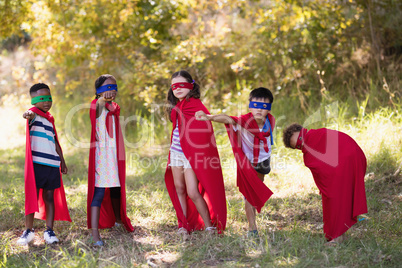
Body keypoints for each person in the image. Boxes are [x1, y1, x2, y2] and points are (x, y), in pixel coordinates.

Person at [196, 87, 274, 237]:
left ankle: (253, 218)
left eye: (264, 106)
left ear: (269, 108)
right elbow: (227, 118)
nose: (259, 110)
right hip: (248, 163)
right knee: (249, 195)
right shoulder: (245, 120)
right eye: (255, 105)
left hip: (263, 160)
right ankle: (253, 228)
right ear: (250, 106)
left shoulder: (270, 120)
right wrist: (209, 117)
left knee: (257, 192)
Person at [282, 123, 368, 244]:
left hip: (349, 157)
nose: (302, 144)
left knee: (333, 197)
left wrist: (325, 188)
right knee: (339, 196)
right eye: (298, 146)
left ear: (303, 131)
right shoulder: (310, 149)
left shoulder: (317, 135)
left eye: (300, 139)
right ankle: (339, 234)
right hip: (353, 157)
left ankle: (337, 236)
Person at [164, 70, 227, 235]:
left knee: (192, 191)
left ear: (190, 86)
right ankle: (183, 225)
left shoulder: (196, 105)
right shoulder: (176, 107)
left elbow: (204, 131)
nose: (177, 89)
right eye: (174, 86)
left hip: (191, 155)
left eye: (182, 85)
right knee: (179, 188)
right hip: (176, 152)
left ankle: (209, 226)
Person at [18, 83, 71, 245]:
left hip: (51, 163)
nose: (47, 102)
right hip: (37, 164)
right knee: (32, 196)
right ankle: (28, 230)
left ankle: (49, 230)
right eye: (42, 99)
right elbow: (28, 114)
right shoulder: (34, 114)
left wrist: (62, 160)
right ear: (34, 100)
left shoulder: (50, 118)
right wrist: (27, 113)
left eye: (49, 98)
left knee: (49, 197)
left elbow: (55, 141)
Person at [87, 74, 134, 246]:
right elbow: (99, 107)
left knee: (116, 187)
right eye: (107, 88)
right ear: (98, 91)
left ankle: (118, 220)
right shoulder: (96, 105)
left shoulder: (114, 107)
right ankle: (94, 233)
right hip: (102, 156)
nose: (111, 91)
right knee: (99, 192)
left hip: (114, 154)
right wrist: (101, 99)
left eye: (114, 87)